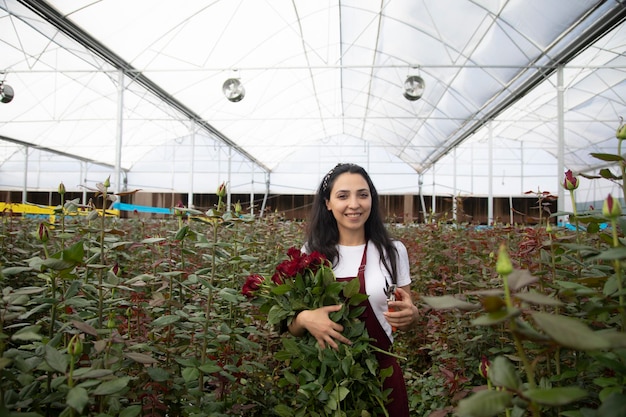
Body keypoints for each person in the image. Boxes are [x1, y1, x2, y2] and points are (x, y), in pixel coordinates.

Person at [288, 162, 418, 417]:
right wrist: (304, 318)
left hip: (382, 374)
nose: (354, 204)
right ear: (328, 203)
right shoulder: (311, 255)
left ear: (372, 199)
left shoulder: (392, 252)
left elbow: (406, 312)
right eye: (343, 196)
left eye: (363, 194)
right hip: (330, 381)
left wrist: (412, 315)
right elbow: (291, 326)